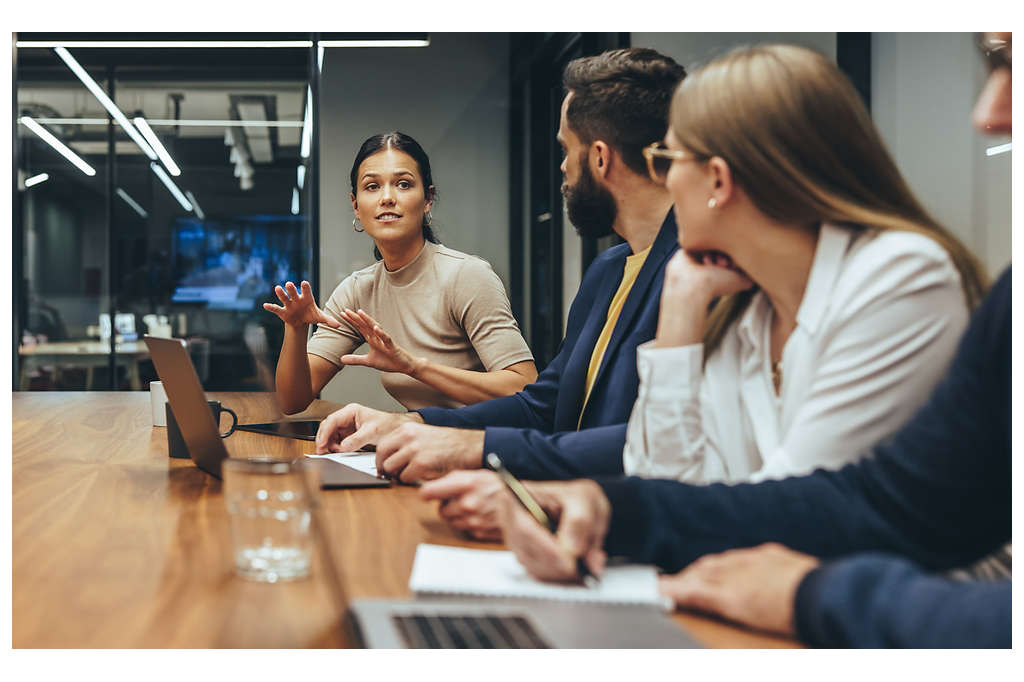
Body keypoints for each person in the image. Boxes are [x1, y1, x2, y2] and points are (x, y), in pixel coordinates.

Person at [495, 34, 1012, 648]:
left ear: (716, 179)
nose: (661, 180)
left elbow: (817, 516)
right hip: (765, 617)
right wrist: (682, 314)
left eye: (669, 159)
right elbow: (668, 480)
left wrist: (625, 514)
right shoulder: (738, 304)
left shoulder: (901, 275)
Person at [313, 49, 687, 491]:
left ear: (601, 158)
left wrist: (470, 448)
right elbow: (543, 406)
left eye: (567, 149)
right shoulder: (608, 271)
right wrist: (409, 424)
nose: (563, 167)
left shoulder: (696, 274)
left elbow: (666, 444)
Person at [265, 132, 537, 413]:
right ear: (356, 206)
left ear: (428, 199)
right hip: (419, 444)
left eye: (403, 184)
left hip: (484, 447)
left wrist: (413, 366)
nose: (387, 198)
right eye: (372, 186)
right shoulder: (359, 290)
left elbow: (523, 390)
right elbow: (292, 401)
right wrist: (296, 330)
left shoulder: (467, 276)